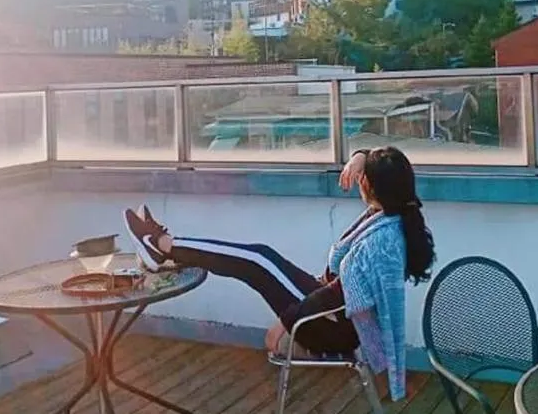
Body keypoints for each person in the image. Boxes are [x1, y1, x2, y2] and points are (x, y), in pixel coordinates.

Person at [122, 146, 434, 400]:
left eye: (364, 175)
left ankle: (162, 245)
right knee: (261, 256)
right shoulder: (392, 217)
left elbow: (346, 298)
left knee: (256, 260)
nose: (358, 179)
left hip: (327, 325)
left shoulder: (381, 240)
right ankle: (165, 247)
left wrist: (289, 322)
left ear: (370, 186)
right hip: (331, 312)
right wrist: (361, 157)